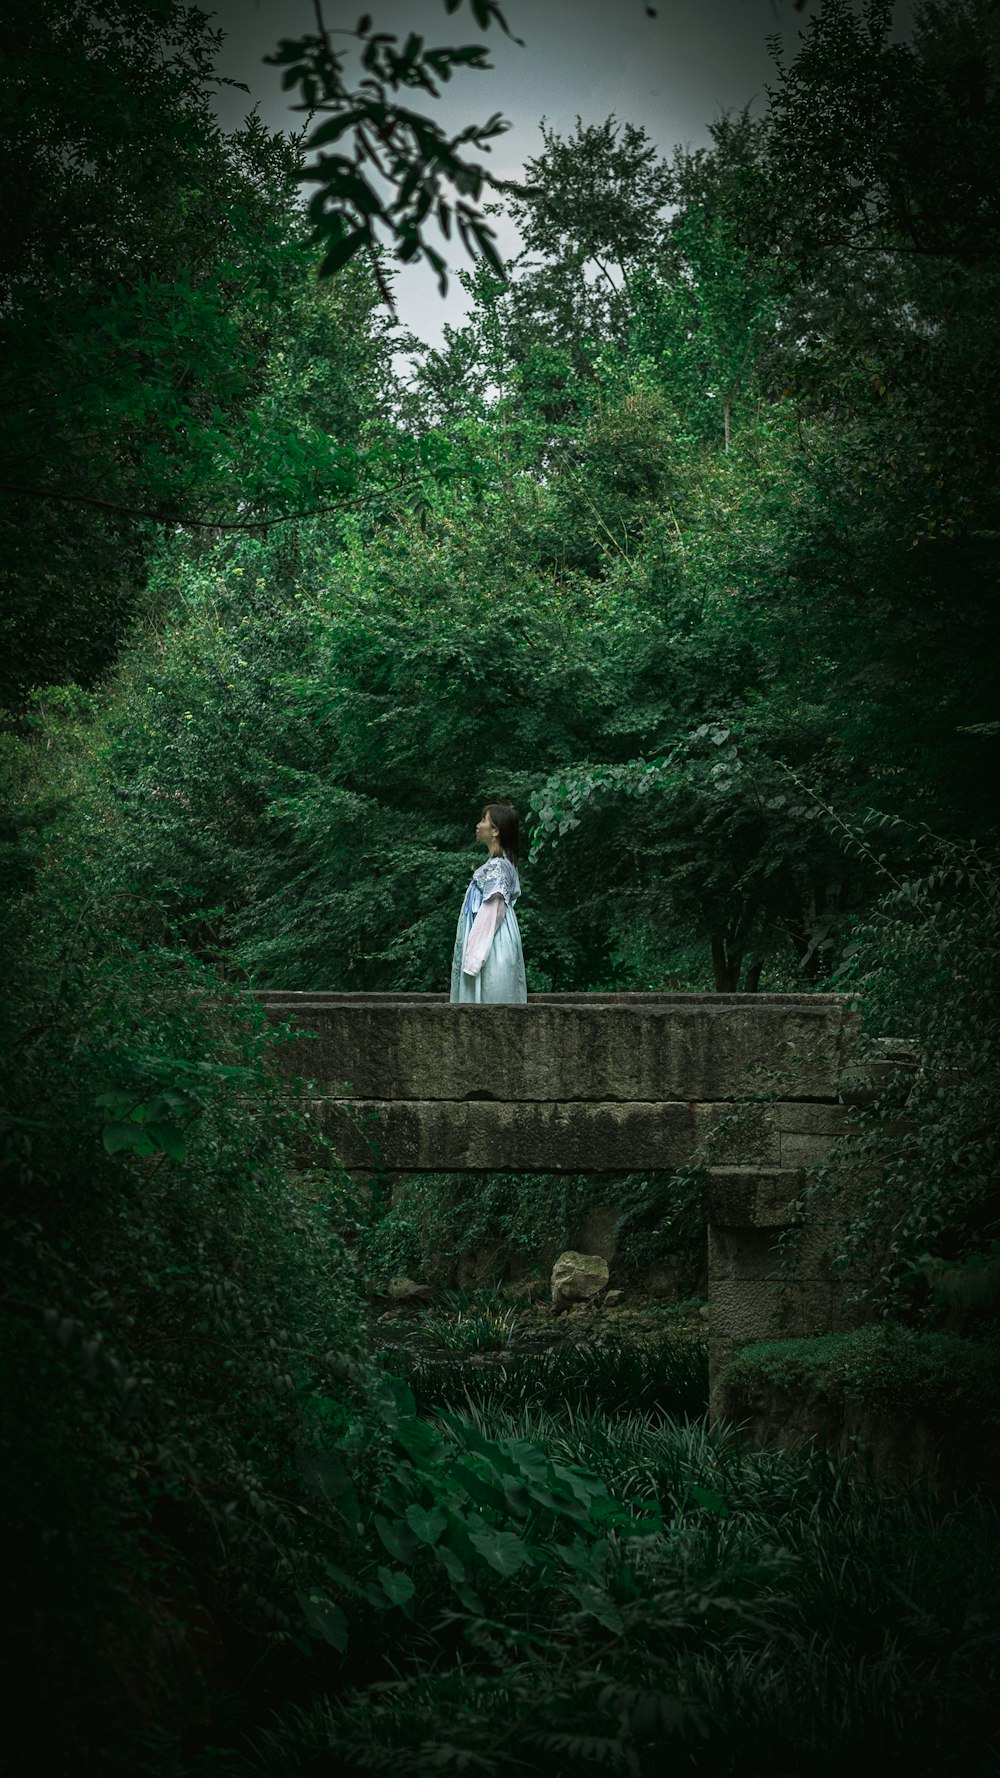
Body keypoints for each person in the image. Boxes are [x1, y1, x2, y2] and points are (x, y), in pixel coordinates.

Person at [450, 801, 528, 1004]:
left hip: (491, 947)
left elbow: (492, 913)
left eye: (484, 820)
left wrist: (473, 959)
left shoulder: (497, 868)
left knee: (488, 999)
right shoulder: (501, 865)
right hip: (494, 941)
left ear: (495, 831)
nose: (478, 825)